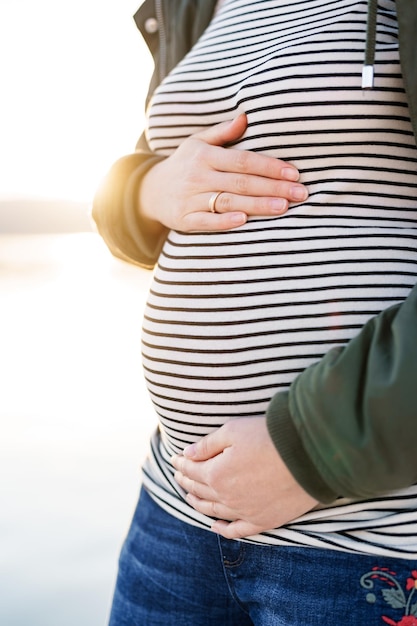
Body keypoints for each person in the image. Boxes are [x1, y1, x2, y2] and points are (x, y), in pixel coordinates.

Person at [92, 1, 417, 624]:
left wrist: (313, 451)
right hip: (175, 512)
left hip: (367, 540)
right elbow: (140, 183)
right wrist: (143, 189)